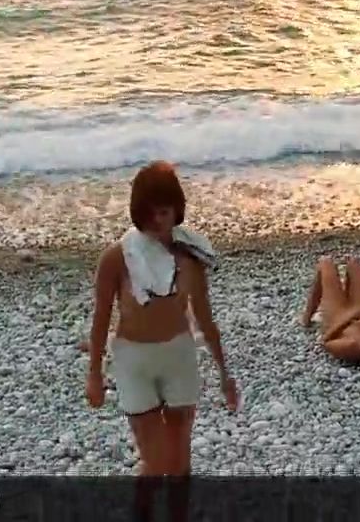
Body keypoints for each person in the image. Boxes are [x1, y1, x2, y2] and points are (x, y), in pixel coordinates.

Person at [85, 160, 239, 482]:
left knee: (180, 464)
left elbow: (204, 317)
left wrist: (225, 374)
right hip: (134, 360)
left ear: (176, 209)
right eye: (149, 213)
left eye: (164, 212)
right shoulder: (117, 258)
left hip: (178, 356)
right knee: (156, 464)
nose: (157, 221)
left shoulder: (191, 256)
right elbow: (100, 318)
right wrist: (95, 375)